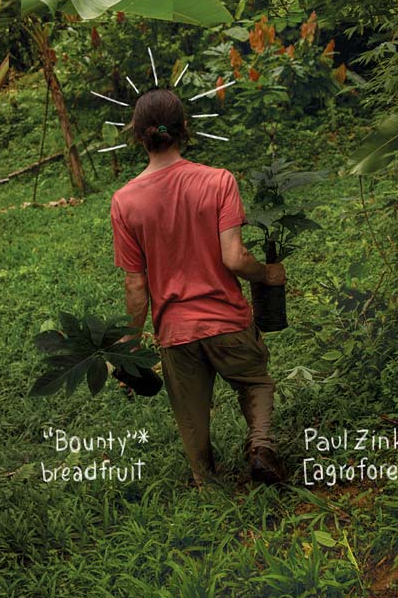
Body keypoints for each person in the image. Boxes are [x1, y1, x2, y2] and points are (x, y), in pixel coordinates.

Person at [109, 87, 288, 485]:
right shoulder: (218, 181)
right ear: (185, 128)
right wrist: (265, 275)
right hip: (228, 320)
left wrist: (131, 342)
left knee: (190, 415)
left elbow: (135, 284)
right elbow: (234, 258)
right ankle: (261, 447)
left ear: (138, 134)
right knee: (255, 382)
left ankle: (205, 478)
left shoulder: (124, 201)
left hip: (176, 333)